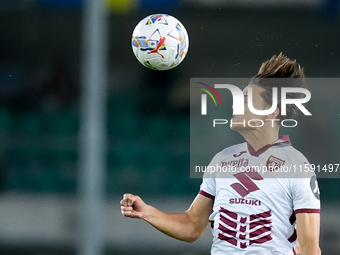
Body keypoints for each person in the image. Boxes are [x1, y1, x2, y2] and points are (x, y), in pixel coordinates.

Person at [120, 53, 321, 255]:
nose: (235, 104)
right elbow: (192, 226)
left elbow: (309, 248)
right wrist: (147, 212)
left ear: (271, 111)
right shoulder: (222, 160)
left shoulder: (297, 167)